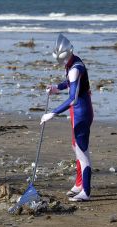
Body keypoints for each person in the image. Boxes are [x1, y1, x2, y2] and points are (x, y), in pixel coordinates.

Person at [40, 34, 94, 202]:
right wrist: (56, 88)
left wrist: (53, 113)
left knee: (82, 152)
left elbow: (73, 98)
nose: (62, 64)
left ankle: (86, 191)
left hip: (81, 112)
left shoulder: (75, 68)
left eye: (62, 61)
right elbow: (69, 83)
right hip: (77, 111)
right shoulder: (73, 62)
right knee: (75, 147)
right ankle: (79, 184)